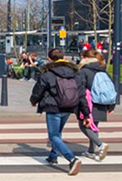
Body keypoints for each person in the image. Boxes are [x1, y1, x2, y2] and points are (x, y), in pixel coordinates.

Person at [29, 48, 88, 176]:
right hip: (68, 107)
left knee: (53, 135)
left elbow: (38, 90)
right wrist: (86, 114)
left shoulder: (47, 73)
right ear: (64, 58)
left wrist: (33, 101)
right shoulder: (75, 73)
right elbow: (81, 95)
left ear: (49, 59)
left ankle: (71, 158)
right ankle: (53, 156)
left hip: (53, 107)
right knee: (58, 133)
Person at [77, 49, 111, 161]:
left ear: (86, 58)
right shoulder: (103, 70)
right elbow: (110, 87)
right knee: (94, 126)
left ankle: (100, 144)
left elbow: (80, 88)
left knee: (84, 125)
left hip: (89, 102)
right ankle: (91, 151)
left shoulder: (84, 71)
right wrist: (111, 105)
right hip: (102, 101)